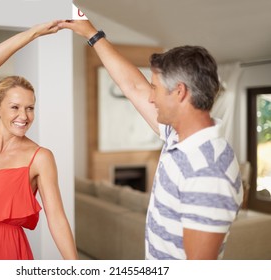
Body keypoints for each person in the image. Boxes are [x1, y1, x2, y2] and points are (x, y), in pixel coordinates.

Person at [59, 19, 243, 260]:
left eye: (155, 88)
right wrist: (91, 33)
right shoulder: (177, 135)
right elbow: (133, 85)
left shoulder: (207, 170)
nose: (151, 98)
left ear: (179, 92)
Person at [0, 21, 78, 260]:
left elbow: (57, 218)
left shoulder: (40, 158)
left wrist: (77, 268)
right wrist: (34, 33)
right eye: (15, 107)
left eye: (30, 108)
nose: (24, 116)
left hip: (8, 252)